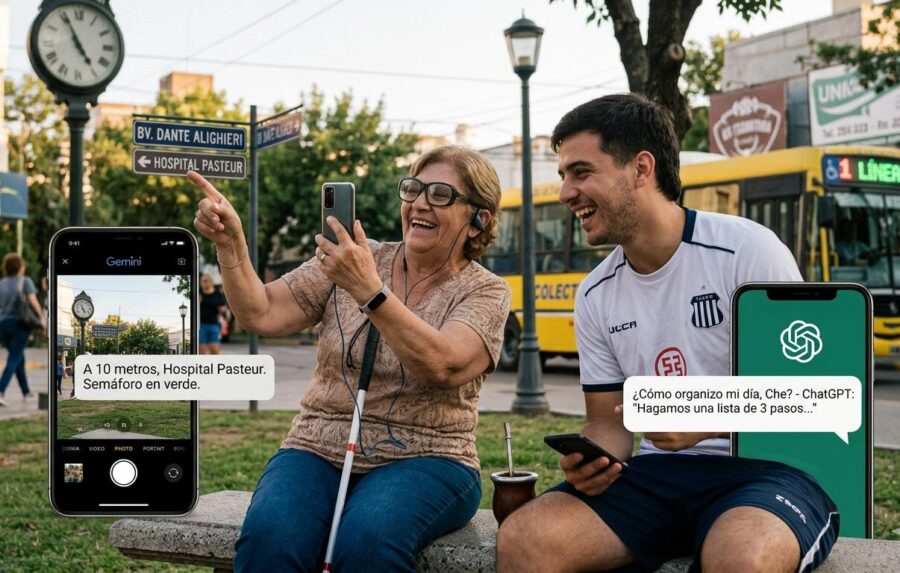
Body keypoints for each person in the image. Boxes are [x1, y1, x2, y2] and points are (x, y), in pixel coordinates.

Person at [496, 94, 838, 573]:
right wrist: (594, 461)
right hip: (656, 475)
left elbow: (823, 398)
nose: (565, 193)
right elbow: (608, 425)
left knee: (741, 559)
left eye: (581, 172)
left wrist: (707, 416)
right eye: (563, 177)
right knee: (525, 539)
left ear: (641, 168)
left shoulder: (748, 250)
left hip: (768, 471)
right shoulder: (595, 293)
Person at [190, 144, 511, 572]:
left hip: (431, 457)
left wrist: (369, 291)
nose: (418, 203)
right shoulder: (359, 257)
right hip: (316, 446)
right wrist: (231, 246)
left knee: (367, 540)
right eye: (413, 189)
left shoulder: (485, 290)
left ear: (478, 220)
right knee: (272, 537)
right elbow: (260, 312)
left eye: (440, 194)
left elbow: (444, 363)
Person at [0, 253, 46, 406]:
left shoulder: (2, 283)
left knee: (19, 358)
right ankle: (1, 390)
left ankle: (26, 393)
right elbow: (33, 302)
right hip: (19, 325)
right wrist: (42, 318)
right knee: (14, 358)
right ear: (20, 267)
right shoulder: (25, 281)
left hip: (3, 326)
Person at [198, 274, 227, 354]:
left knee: (214, 349)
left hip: (214, 324)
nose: (203, 283)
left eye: (205, 281)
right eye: (202, 281)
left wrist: (221, 310)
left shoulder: (217, 294)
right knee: (201, 350)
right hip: (200, 325)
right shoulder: (199, 293)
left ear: (211, 282)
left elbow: (223, 309)